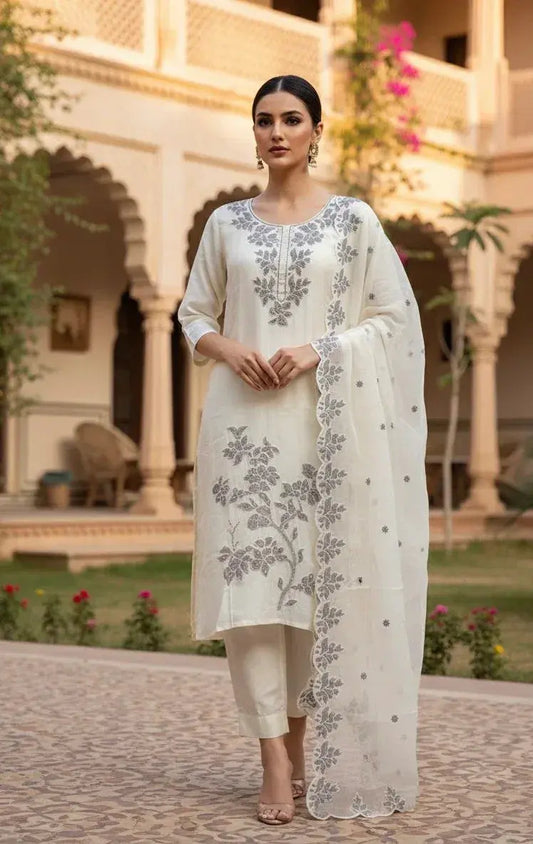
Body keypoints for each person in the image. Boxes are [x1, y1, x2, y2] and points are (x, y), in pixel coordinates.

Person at [177, 74, 429, 826]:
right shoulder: (226, 225)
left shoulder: (352, 222)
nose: (276, 132)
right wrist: (228, 348)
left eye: (291, 119)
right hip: (242, 433)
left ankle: (301, 742)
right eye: (263, 121)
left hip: (326, 430)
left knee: (316, 596)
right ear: (251, 133)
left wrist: (320, 348)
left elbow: (393, 318)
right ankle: (274, 760)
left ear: (317, 130)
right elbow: (192, 315)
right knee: (252, 596)